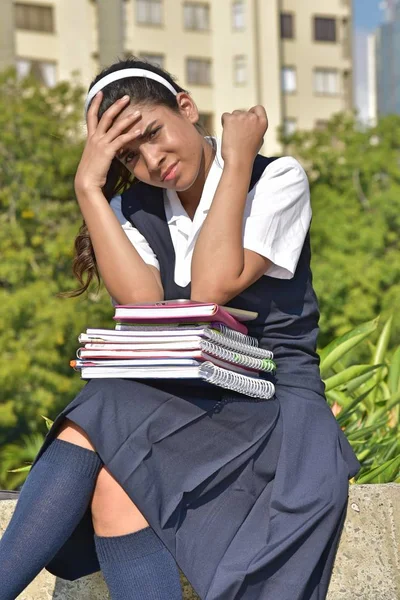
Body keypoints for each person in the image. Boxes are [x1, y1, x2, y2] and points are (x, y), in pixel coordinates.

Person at [0, 57, 360, 600]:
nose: (151, 161)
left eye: (153, 133)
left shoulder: (276, 179)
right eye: (128, 155)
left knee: (98, 411)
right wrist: (88, 189)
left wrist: (236, 160)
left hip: (272, 395)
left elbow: (211, 286)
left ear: (186, 108)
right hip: (189, 397)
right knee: (114, 483)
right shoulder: (130, 207)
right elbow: (141, 300)